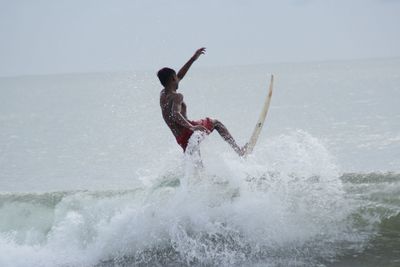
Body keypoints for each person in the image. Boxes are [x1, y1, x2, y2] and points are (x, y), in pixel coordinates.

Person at [158, 47, 247, 156]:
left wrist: (193, 59)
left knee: (197, 165)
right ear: (173, 79)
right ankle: (239, 151)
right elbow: (175, 114)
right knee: (216, 123)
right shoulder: (177, 96)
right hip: (189, 131)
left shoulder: (163, 95)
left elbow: (180, 75)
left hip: (180, 138)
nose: (179, 78)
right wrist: (192, 127)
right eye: (176, 77)